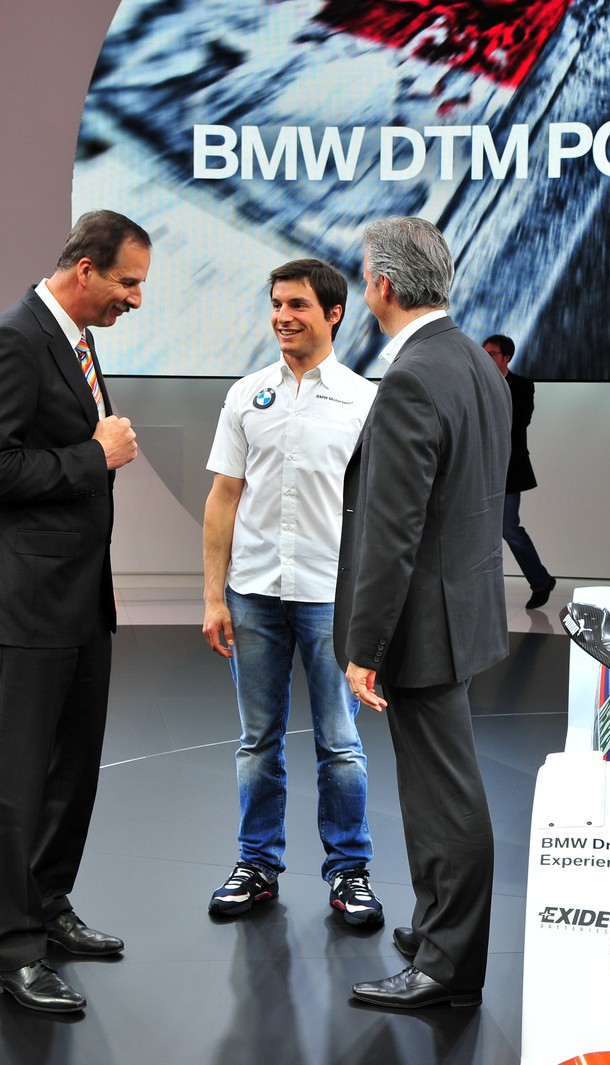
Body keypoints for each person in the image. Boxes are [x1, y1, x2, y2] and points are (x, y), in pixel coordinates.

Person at [0, 210, 146, 1014]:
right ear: (84, 269)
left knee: (71, 769)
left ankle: (47, 906)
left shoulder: (75, 339)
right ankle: (12, 950)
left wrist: (88, 456)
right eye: (128, 282)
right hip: (27, 602)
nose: (135, 299)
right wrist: (92, 457)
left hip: (79, 595)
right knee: (16, 783)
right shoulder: (13, 338)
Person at [335, 217, 509, 1008]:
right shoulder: (473, 360)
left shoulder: (412, 375)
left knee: (444, 798)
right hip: (459, 608)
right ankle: (439, 928)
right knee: (441, 790)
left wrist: (364, 645)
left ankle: (447, 966)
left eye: (364, 274)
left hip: (422, 623)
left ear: (383, 286)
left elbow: (392, 528)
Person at [201, 259, 381, 927]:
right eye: (276, 303)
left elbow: (383, 514)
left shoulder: (365, 401)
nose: (283, 316)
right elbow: (223, 498)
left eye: (298, 304)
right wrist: (213, 597)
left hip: (332, 598)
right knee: (257, 742)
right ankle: (256, 864)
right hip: (252, 595)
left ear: (333, 313)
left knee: (340, 743)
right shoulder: (246, 395)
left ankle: (350, 871)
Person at [482, 335, 556, 610]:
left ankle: (541, 581)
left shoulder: (522, 386)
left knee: (509, 529)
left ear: (506, 358)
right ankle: (482, 593)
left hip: (508, 471)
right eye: (484, 353)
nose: (485, 358)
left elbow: (520, 421)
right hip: (479, 469)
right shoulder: (476, 384)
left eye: (491, 354)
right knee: (479, 532)